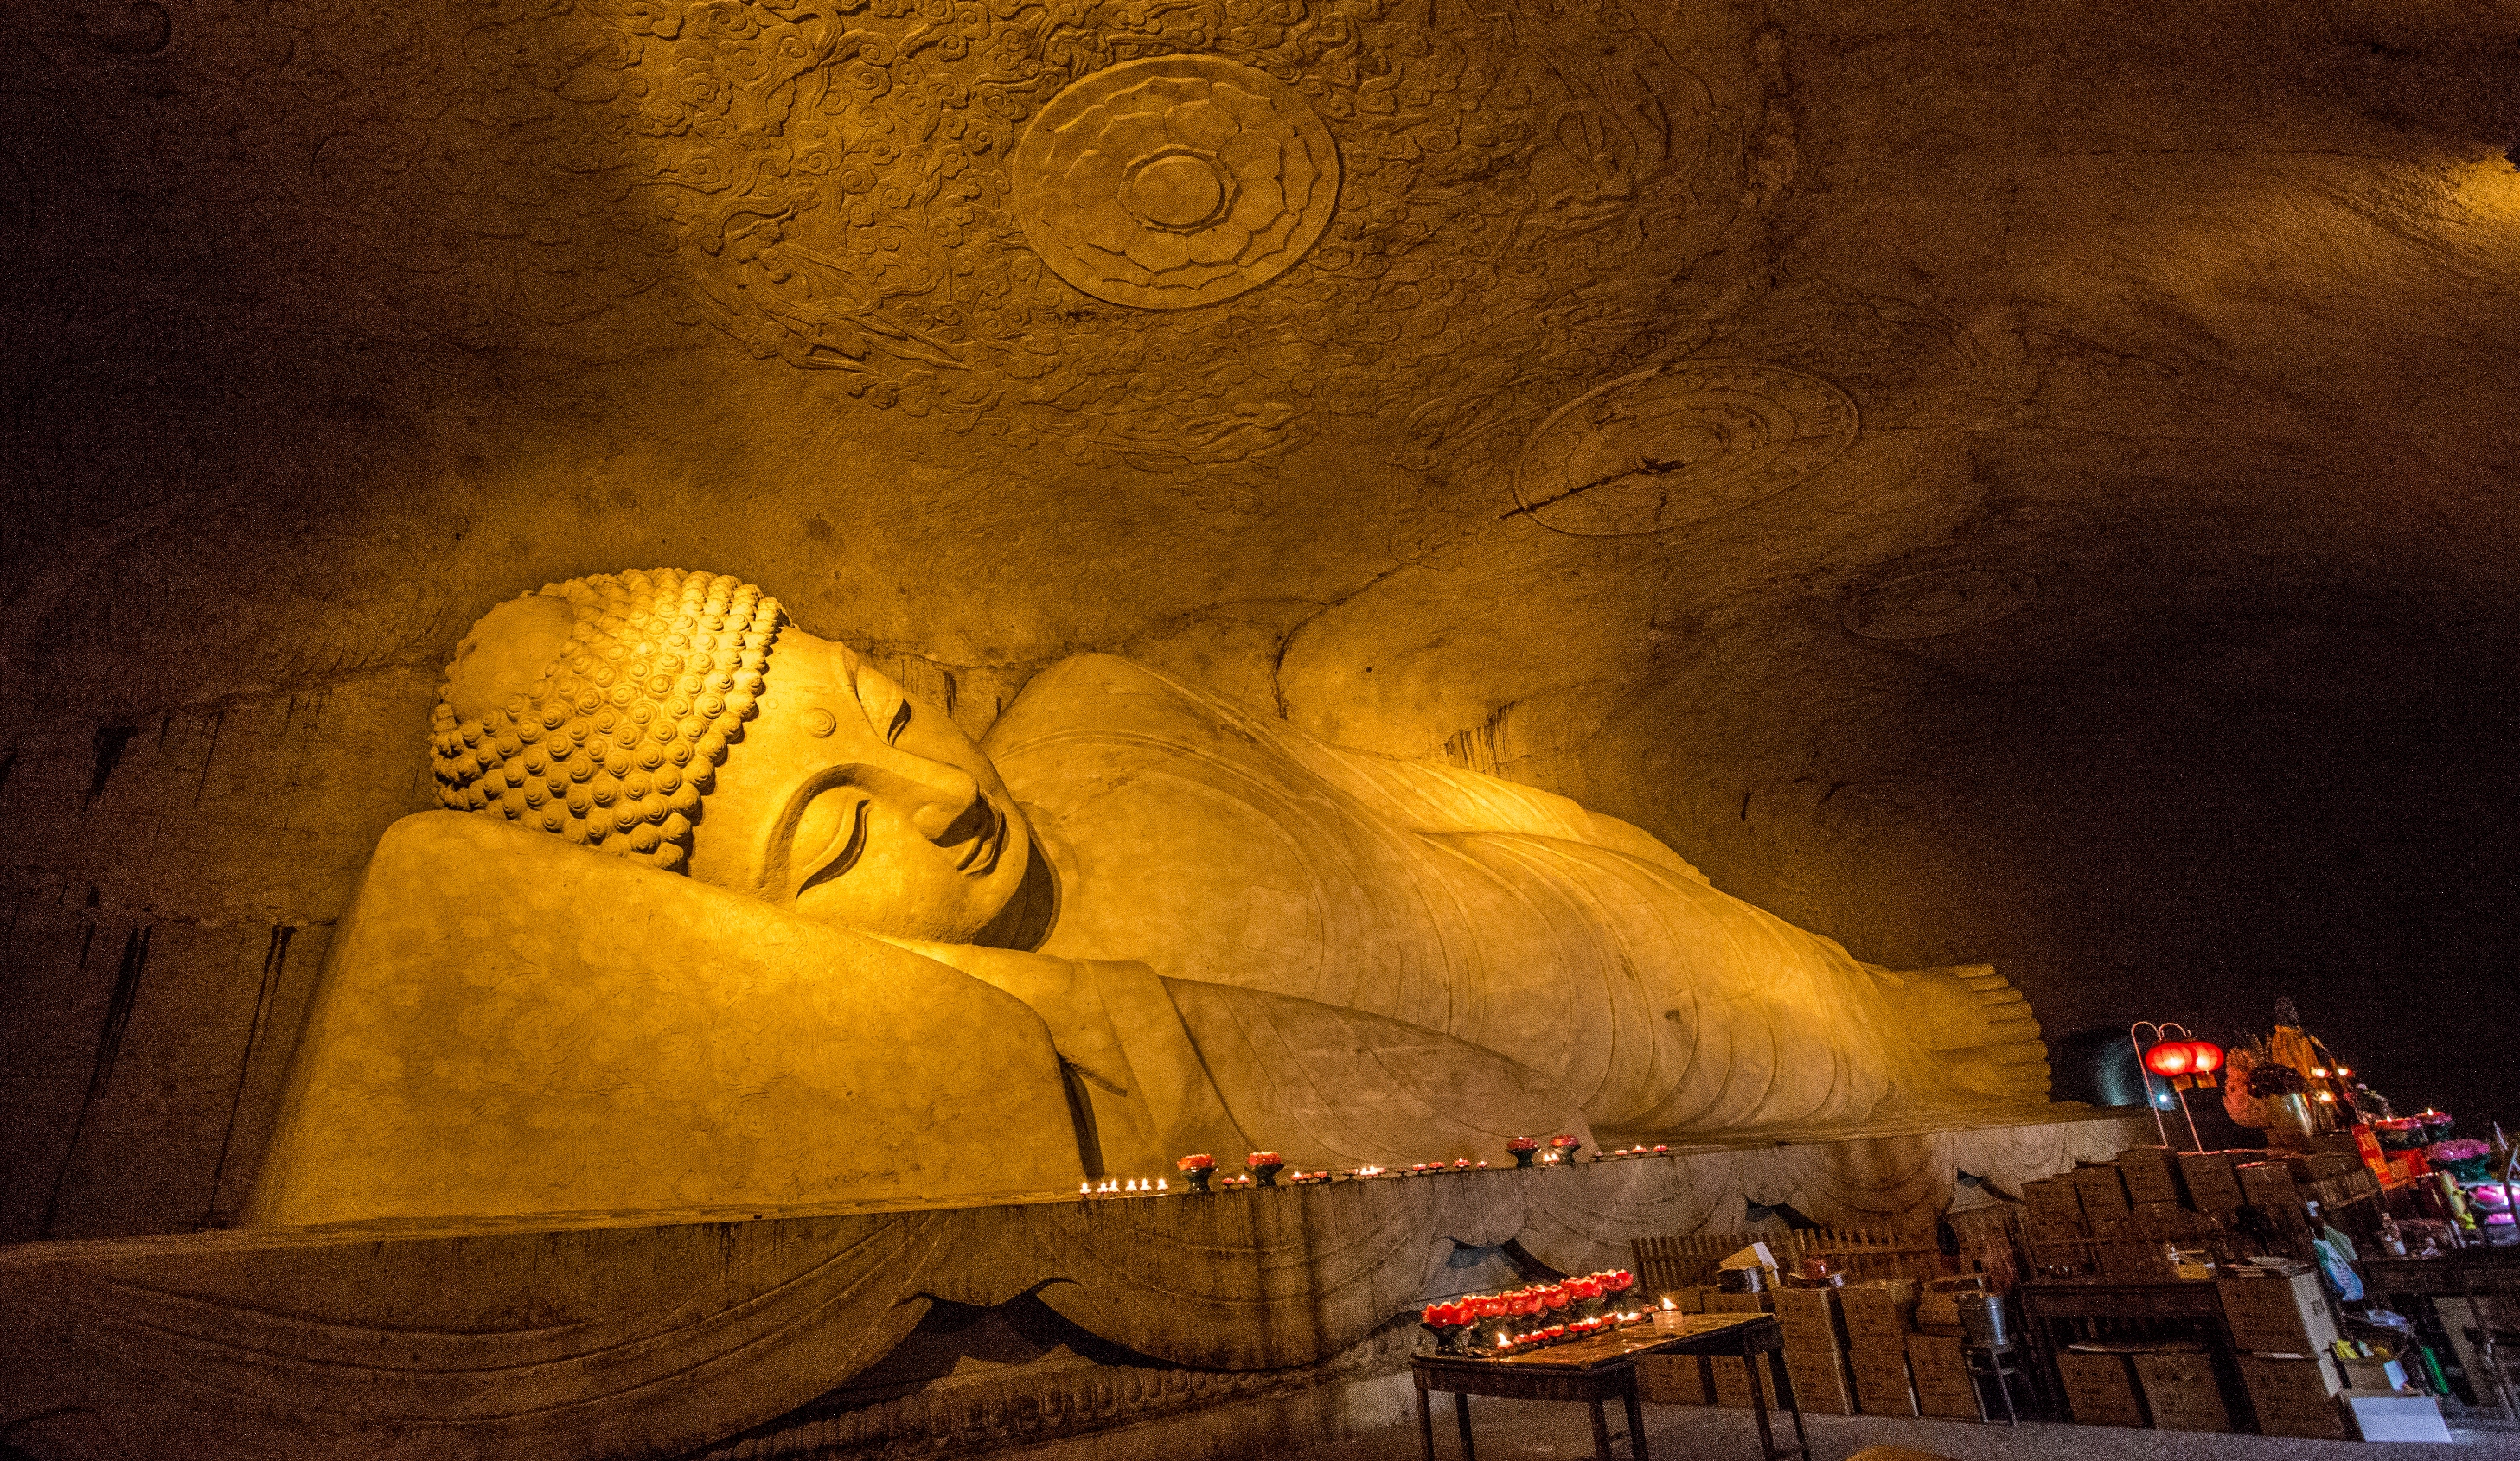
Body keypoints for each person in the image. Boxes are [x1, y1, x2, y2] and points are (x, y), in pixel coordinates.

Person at [243, 568, 2047, 1228]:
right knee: (1825, 1065)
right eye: (835, 838)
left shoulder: (1097, 710)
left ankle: (1895, 1007)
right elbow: (1481, 1120)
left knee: (1853, 1009)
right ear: (759, 945)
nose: (944, 797)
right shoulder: (1068, 1024)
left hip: (1624, 915)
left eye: (888, 707)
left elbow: (1417, 786)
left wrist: (1646, 859)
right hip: (1647, 1071)